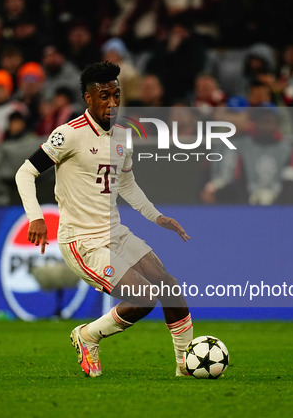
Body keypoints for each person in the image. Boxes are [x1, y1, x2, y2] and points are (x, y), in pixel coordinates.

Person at [15, 62, 194, 378]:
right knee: (143, 299)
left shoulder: (124, 134)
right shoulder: (67, 135)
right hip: (82, 241)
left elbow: (126, 184)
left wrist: (156, 216)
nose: (112, 103)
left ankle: (186, 365)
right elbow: (25, 172)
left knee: (169, 286)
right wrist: (36, 218)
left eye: (116, 95)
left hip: (117, 232)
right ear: (88, 98)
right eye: (104, 97)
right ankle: (87, 336)